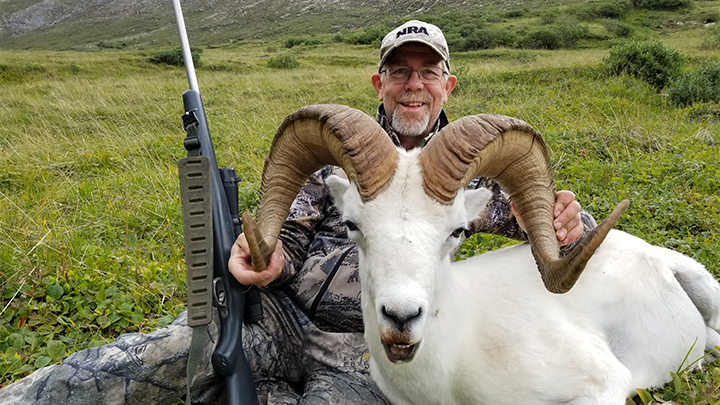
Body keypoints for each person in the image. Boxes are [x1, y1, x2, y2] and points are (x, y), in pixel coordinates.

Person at [0, 20, 596, 405]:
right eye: (399, 71)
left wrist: (563, 222)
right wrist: (265, 255)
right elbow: (280, 238)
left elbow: (558, 234)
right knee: (135, 363)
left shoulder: (477, 171)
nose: (413, 85)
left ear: (449, 85)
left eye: (427, 72)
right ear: (379, 82)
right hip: (283, 321)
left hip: (388, 353)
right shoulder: (338, 151)